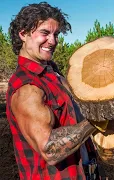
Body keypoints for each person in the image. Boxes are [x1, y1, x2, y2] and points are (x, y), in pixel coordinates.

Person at [6, 2, 107, 179]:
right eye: (44, 33)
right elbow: (49, 149)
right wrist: (97, 119)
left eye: (56, 34)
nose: (53, 41)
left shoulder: (52, 72)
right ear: (23, 34)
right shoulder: (27, 88)